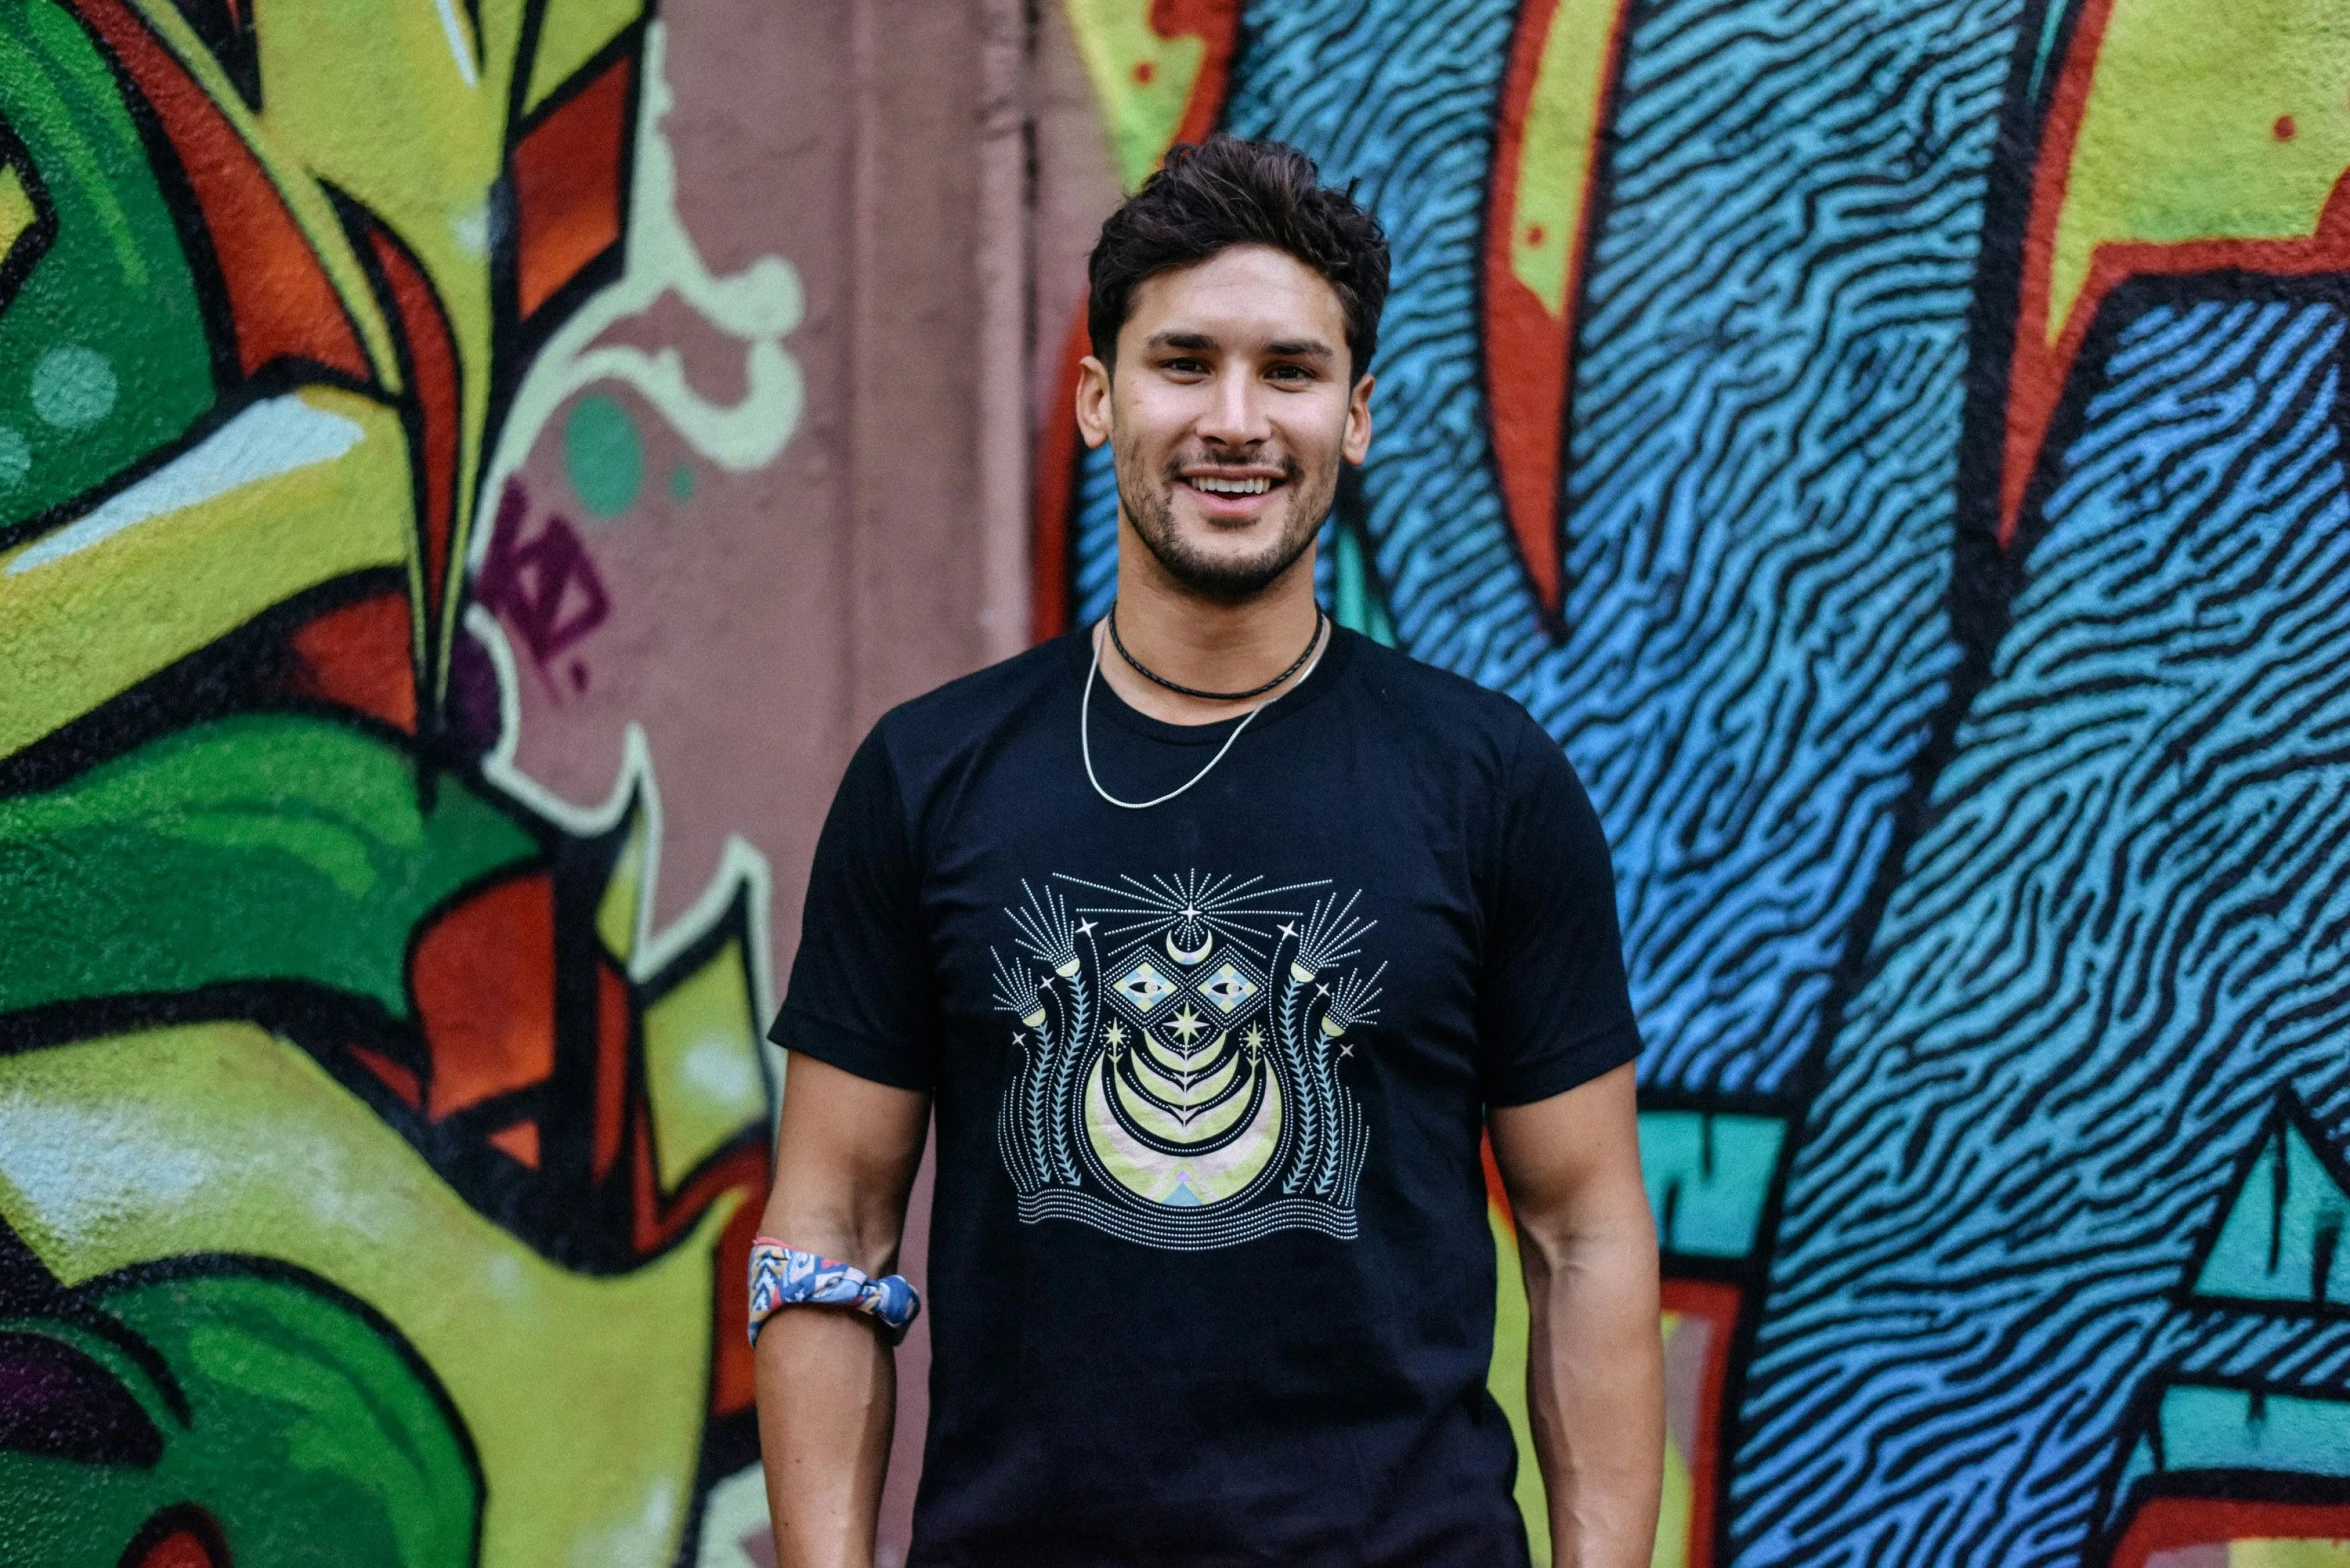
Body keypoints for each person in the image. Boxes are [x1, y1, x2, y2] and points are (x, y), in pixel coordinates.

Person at [752, 135, 1662, 1568]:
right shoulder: (928, 777)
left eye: (1289, 373)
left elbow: (1583, 1230)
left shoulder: (1485, 782)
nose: (1235, 419)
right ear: (1099, 399)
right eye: (1184, 363)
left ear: (1356, 416)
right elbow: (832, 1217)